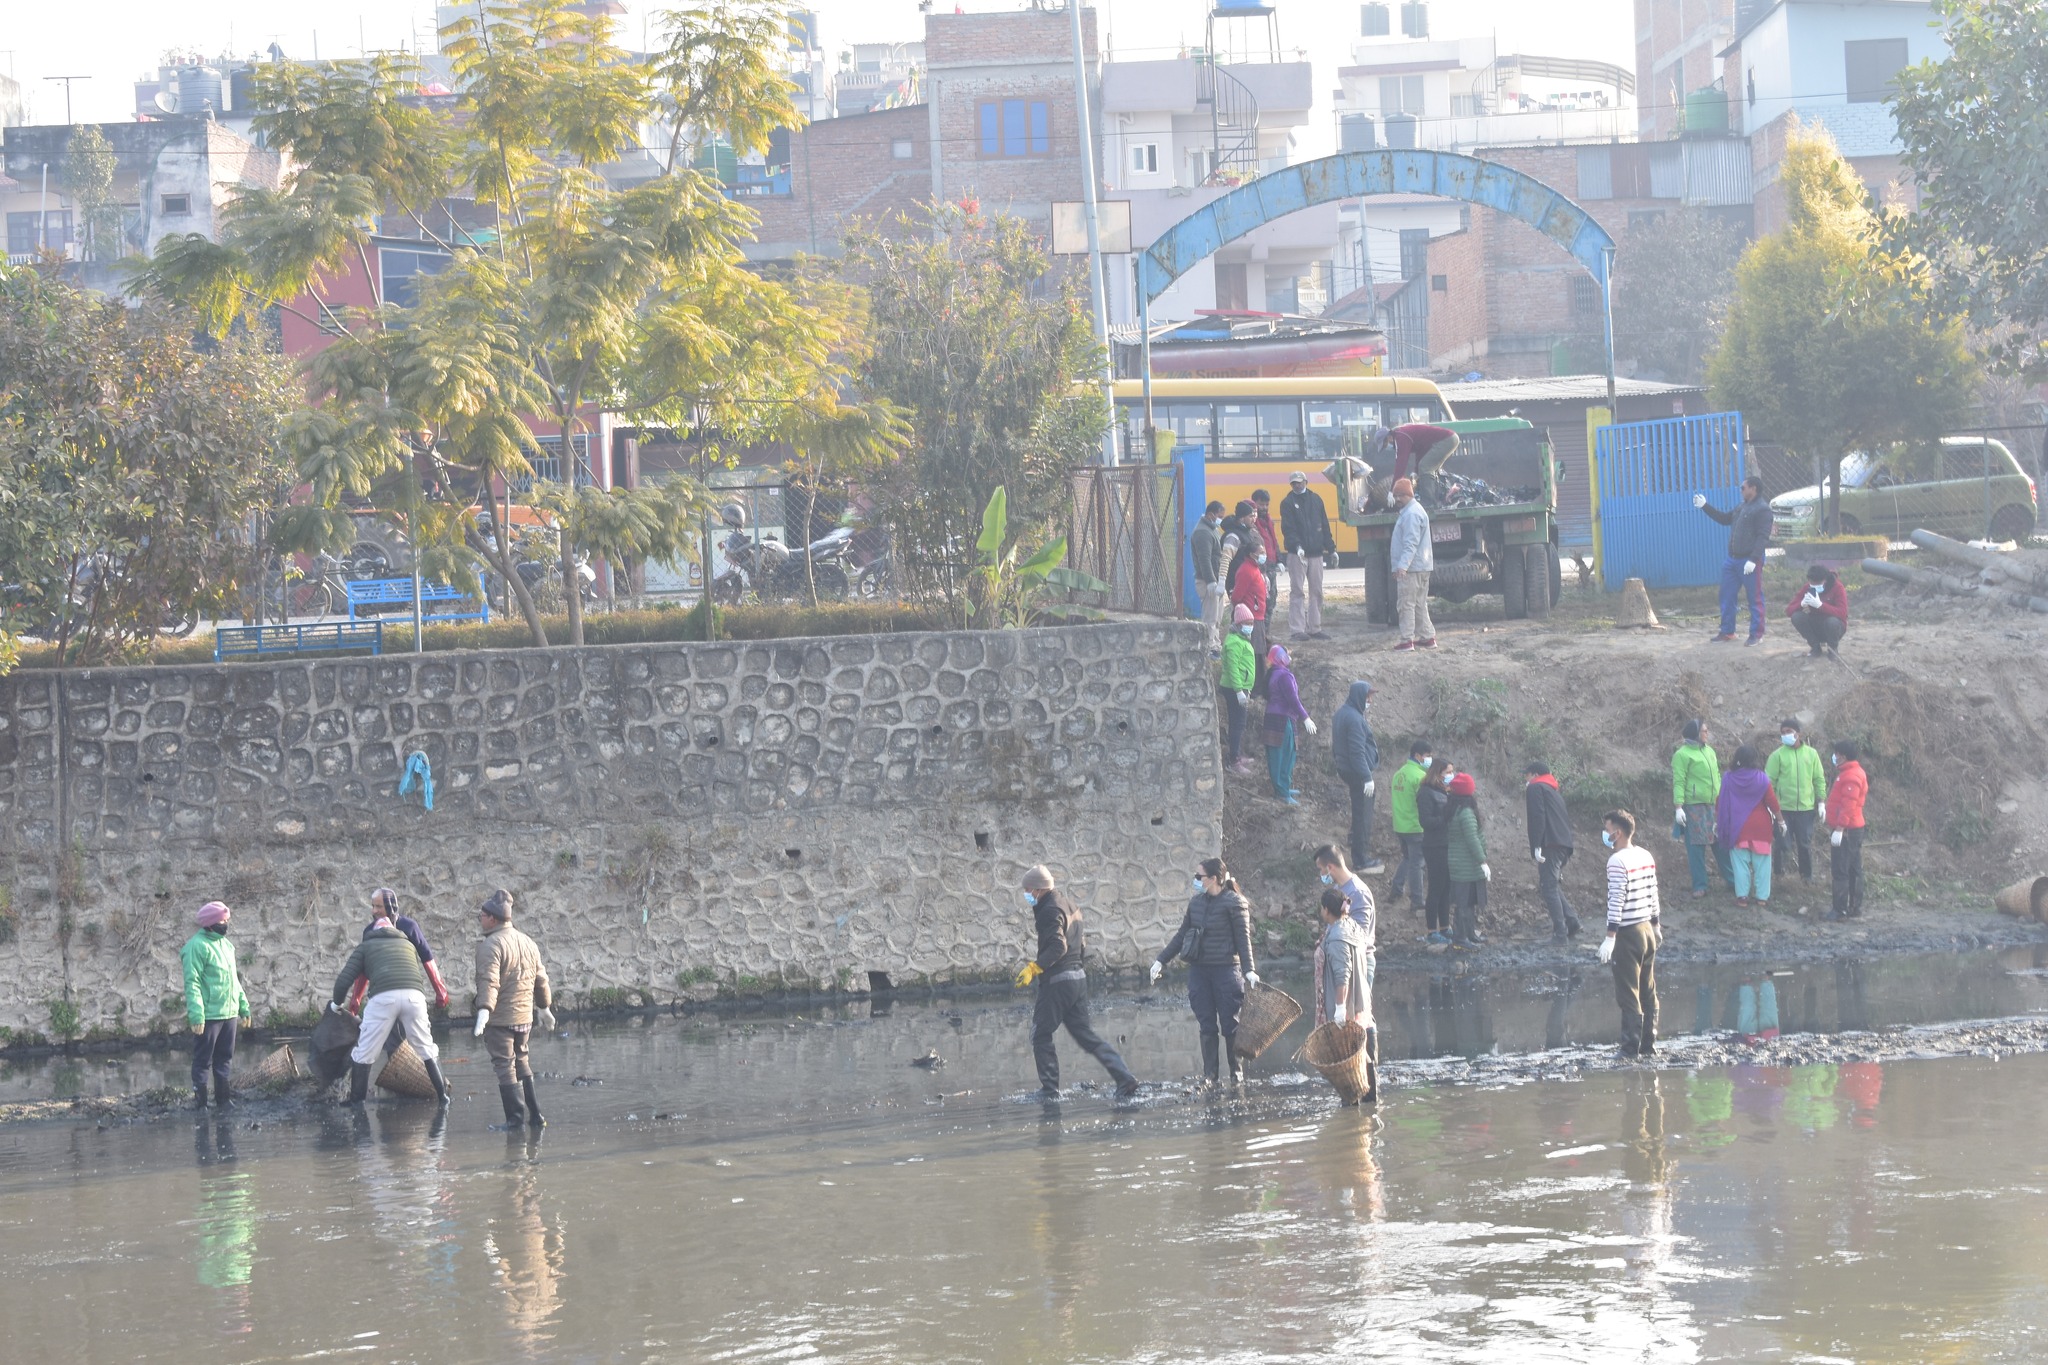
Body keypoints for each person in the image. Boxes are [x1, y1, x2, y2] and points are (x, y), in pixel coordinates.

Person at [1020, 865, 1141, 1101]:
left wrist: (1035, 968)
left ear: (1038, 889)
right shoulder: (1070, 905)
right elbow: (1081, 945)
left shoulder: (1049, 910)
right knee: (1086, 1035)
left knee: (1041, 1035)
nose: (1026, 894)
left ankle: (1049, 1090)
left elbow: (1058, 946)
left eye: (1027, 890)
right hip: (1077, 978)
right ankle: (1125, 1078)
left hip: (1058, 981)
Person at [1149, 857, 1259, 1086]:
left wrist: (1249, 970)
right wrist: (1161, 960)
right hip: (1199, 971)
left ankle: (1236, 1074)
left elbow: (1243, 939)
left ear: (1214, 879)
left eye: (1199, 877)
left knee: (1230, 1024)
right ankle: (1211, 1075)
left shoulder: (1235, 903)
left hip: (1226, 971)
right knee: (1206, 1023)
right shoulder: (1196, 903)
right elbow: (1182, 935)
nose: (1196, 880)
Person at [331, 900, 449, 1106]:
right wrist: (441, 994)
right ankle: (443, 1097)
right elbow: (425, 965)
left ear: (374, 931)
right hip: (415, 998)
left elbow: (345, 980)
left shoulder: (367, 945)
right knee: (427, 1048)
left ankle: (356, 1102)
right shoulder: (407, 944)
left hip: (383, 999)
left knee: (365, 1052)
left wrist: (338, 1004)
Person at [473, 889, 555, 1128]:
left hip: (500, 1019)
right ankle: (536, 1117)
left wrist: (484, 1010)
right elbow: (541, 979)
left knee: (504, 1065)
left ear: (493, 919)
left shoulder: (491, 945)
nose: (480, 918)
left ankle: (515, 1120)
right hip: (524, 1018)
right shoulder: (528, 942)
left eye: (483, 914)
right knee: (522, 1060)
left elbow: (488, 980)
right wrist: (544, 1007)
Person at [1599, 809, 1662, 1058]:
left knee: (1628, 993)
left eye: (1607, 829)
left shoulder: (1617, 862)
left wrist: (1609, 937)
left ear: (1618, 833)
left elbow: (1617, 899)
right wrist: (1656, 925)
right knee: (1648, 990)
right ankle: (1649, 1045)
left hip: (1628, 933)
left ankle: (1629, 1049)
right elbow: (1653, 891)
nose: (1605, 834)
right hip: (1647, 929)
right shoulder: (1645, 855)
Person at [346, 888, 452, 1026]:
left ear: (391, 907)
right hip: (384, 994)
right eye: (373, 906)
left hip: (408, 993)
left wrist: (440, 991)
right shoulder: (370, 931)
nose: (374, 911)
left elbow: (427, 958)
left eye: (379, 907)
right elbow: (364, 968)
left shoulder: (409, 927)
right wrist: (356, 999)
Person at [181, 901, 250, 1111]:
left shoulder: (227, 946)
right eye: (222, 920)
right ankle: (201, 1103)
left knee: (224, 1058)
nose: (226, 923)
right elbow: (192, 982)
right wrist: (196, 1015)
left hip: (229, 1013)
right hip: (209, 1015)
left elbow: (234, 980)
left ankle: (223, 1099)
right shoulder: (196, 947)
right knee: (203, 1060)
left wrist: (243, 1006)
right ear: (210, 923)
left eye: (227, 920)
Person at [1314, 888, 1378, 1104]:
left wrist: (1340, 1008)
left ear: (1326, 910)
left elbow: (1343, 974)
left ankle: (1352, 1114)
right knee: (1361, 1061)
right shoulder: (1351, 927)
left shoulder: (1338, 936)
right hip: (1361, 1008)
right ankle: (1369, 1108)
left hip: (1346, 1011)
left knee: (1348, 1066)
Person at [1692, 476, 1772, 644]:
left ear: (1753, 488)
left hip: (1749, 561)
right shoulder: (1741, 507)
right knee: (1726, 595)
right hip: (1732, 560)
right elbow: (1724, 519)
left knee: (1754, 598)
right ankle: (1727, 631)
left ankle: (1756, 634)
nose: (1741, 490)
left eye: (1743, 487)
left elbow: (1763, 537)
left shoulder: (1762, 509)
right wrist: (1705, 506)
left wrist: (1754, 559)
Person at [1715, 745, 1783, 907]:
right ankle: (1761, 898)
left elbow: (1721, 802)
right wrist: (1781, 820)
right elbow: (1772, 802)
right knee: (1762, 864)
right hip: (1761, 827)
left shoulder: (1728, 778)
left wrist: (1718, 821)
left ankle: (1742, 898)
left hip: (1738, 827)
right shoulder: (1762, 778)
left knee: (1740, 865)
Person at [1329, 680, 1385, 873]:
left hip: (1347, 769)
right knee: (1363, 815)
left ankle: (1355, 843)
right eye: (1368, 696)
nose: (1370, 700)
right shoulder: (1354, 719)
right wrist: (1367, 777)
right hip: (1358, 773)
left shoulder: (1341, 713)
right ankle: (1361, 859)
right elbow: (1357, 752)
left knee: (1358, 811)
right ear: (1360, 696)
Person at [1524, 762, 1582, 943]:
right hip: (1563, 844)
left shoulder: (1535, 788)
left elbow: (1538, 817)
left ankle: (1560, 934)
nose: (1525, 779)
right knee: (1552, 885)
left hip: (1550, 844)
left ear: (1533, 774)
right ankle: (1571, 921)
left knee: (1548, 887)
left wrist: (1536, 845)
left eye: (1526, 775)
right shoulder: (1553, 790)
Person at [1766, 717, 1827, 883]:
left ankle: (1806, 877)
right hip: (1783, 809)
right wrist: (1771, 807)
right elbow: (1769, 782)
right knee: (1782, 844)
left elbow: (1819, 779)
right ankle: (1779, 875)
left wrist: (1821, 802)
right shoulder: (1777, 756)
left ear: (1798, 733)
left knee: (1804, 844)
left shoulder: (1811, 754)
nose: (1786, 735)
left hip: (1806, 810)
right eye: (1783, 733)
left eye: (1789, 732)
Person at [1279, 470, 1335, 640]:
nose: (1297, 485)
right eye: (1294, 482)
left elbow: (1324, 525)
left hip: (1316, 552)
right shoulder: (1287, 503)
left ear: (1306, 481)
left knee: (1316, 591)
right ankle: (1297, 629)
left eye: (1299, 481)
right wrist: (1297, 546)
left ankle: (1315, 627)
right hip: (1298, 554)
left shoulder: (1316, 499)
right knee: (1297, 591)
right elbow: (1288, 529)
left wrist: (1331, 548)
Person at [1672, 718, 1724, 898]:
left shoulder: (1709, 751)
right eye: (1704, 731)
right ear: (1695, 734)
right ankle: (1700, 885)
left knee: (1720, 843)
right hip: (1694, 807)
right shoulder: (1682, 754)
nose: (1707, 733)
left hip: (1713, 804)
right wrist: (1679, 807)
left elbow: (1717, 775)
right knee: (1696, 847)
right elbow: (1679, 782)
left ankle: (1733, 881)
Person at [1262, 644, 1314, 805]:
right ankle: (1282, 793)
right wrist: (1305, 718)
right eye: (1286, 653)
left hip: (1274, 718)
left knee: (1280, 755)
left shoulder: (1272, 674)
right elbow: (1293, 699)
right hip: (1282, 720)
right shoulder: (1284, 676)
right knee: (1283, 755)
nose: (1289, 656)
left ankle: (1283, 787)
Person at [1388, 477, 1437, 651]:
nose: (1397, 499)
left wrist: (1402, 566)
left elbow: (1411, 543)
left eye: (1399, 495)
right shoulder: (1414, 511)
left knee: (1406, 604)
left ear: (1407, 494)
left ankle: (1406, 640)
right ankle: (1427, 637)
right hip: (1421, 566)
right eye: (1395, 495)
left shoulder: (1411, 514)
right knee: (1419, 603)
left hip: (1412, 568)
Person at [1824, 740, 1868, 921]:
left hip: (1847, 829)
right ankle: (1854, 907)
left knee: (1841, 869)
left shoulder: (1850, 776)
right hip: (1853, 828)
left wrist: (1840, 828)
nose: (1834, 756)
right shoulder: (1851, 773)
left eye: (1837, 753)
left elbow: (1848, 806)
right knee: (1853, 868)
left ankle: (1840, 910)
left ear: (1843, 755)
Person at [1445, 773, 1490, 949]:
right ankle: (1461, 938)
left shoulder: (1454, 809)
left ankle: (1469, 934)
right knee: (1464, 903)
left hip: (1460, 864)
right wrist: (1482, 861)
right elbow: (1473, 839)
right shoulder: (1466, 813)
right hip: (1467, 865)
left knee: (1468, 901)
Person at [1389, 741, 1433, 918]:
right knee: (1417, 864)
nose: (1429, 759)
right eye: (1427, 756)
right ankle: (1417, 901)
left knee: (1408, 859)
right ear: (1418, 756)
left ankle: (1396, 889)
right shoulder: (1420, 777)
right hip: (1415, 827)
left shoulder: (1399, 774)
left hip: (1400, 825)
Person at [1418, 756, 1456, 945]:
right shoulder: (1426, 792)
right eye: (1448, 771)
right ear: (1438, 773)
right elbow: (1425, 821)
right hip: (1434, 846)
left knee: (1446, 889)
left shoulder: (1444, 791)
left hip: (1447, 845)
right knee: (1436, 888)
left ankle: (1445, 927)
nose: (1451, 775)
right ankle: (1432, 931)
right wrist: (1445, 818)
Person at [1313, 844, 1376, 947]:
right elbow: (1336, 923)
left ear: (1329, 867)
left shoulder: (1357, 893)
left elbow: (1361, 936)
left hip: (1356, 960)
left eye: (1320, 869)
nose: (1321, 873)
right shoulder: (1337, 889)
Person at [1219, 604, 1258, 772]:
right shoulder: (1235, 642)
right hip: (1235, 689)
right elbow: (1233, 668)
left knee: (1238, 723)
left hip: (1239, 688)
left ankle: (1237, 754)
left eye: (1252, 623)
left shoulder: (1240, 639)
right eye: (1248, 623)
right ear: (1239, 624)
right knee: (1237, 724)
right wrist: (1239, 691)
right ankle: (1234, 761)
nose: (1251, 626)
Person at [1230, 531, 1272, 682]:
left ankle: (1259, 685)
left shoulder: (1254, 569)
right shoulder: (1246, 570)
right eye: (1260, 552)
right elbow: (1236, 596)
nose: (1263, 555)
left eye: (1264, 552)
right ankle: (1255, 687)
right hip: (1251, 617)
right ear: (1251, 554)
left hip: (1258, 616)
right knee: (1254, 653)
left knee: (1259, 652)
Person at [1788, 563, 1848, 657]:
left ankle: (1833, 649)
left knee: (1832, 622)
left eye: (1818, 584)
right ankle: (1815, 647)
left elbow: (1842, 613)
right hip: (1816, 625)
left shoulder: (1838, 587)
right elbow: (1789, 610)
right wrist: (1801, 604)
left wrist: (1821, 606)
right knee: (1797, 617)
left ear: (1825, 580)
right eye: (1812, 584)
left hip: (1834, 627)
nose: (1815, 586)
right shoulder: (1807, 588)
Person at [1190, 500, 1227, 650]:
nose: (1221, 519)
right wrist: (1211, 581)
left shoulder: (1211, 528)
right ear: (1211, 514)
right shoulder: (1203, 532)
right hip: (1207, 581)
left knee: (1217, 617)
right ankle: (1209, 645)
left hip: (1215, 580)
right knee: (1210, 617)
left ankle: (1215, 643)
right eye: (1220, 516)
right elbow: (1204, 559)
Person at [1250, 488, 1282, 600]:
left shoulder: (1269, 522)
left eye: (1266, 505)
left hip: (1271, 565)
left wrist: (1279, 560)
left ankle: (1268, 617)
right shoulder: (1252, 524)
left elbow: (1274, 542)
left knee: (1272, 597)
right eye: (1261, 505)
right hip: (1259, 566)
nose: (1264, 508)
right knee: (1261, 597)